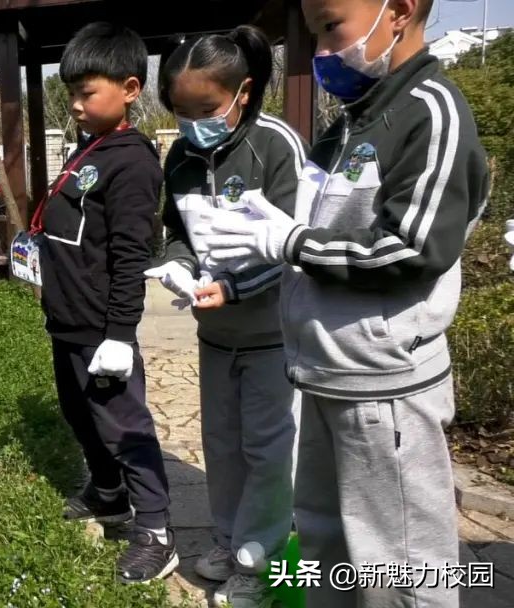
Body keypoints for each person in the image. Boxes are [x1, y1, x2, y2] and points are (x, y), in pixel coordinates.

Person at [203, 1, 489, 606]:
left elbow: (412, 247)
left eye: (331, 26)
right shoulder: (353, 121)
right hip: (325, 372)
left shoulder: (430, 113)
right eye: (313, 34)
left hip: (384, 385)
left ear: (400, 11)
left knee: (401, 566)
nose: (321, 50)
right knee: (327, 545)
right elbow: (324, 219)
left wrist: (291, 241)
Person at [146, 25, 306, 608]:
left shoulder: (276, 146)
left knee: (267, 452)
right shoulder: (183, 157)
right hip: (214, 337)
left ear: (244, 91)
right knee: (221, 445)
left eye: (206, 108)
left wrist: (233, 289)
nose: (193, 123)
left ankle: (257, 563)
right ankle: (225, 537)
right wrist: (178, 267)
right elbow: (177, 233)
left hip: (272, 337)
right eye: (180, 110)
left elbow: (295, 247)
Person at [38, 22, 175, 584]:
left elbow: (128, 254)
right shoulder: (90, 149)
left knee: (124, 425)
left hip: (100, 326)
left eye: (86, 92)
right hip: (67, 318)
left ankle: (158, 532)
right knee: (79, 411)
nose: (74, 103)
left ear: (130, 88)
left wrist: (120, 334)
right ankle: (109, 494)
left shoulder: (132, 162)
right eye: (70, 92)